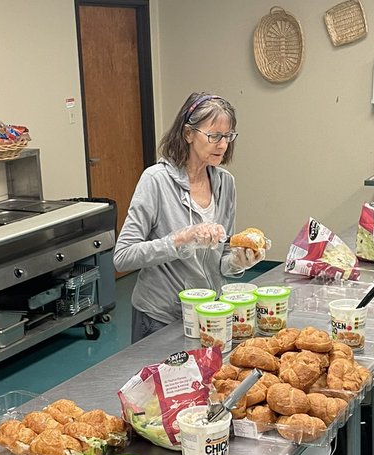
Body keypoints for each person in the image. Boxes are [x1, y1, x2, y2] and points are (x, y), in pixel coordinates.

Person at [114, 92, 266, 341]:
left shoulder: (225, 183)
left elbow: (222, 260)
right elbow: (122, 257)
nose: (223, 145)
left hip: (208, 314)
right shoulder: (156, 181)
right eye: (214, 136)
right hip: (160, 317)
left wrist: (239, 261)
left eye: (228, 137)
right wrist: (179, 240)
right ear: (188, 134)